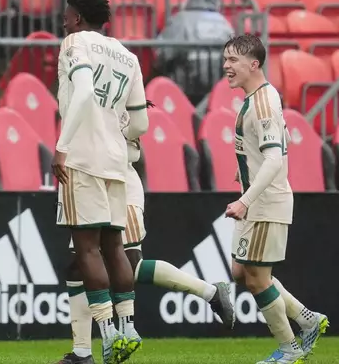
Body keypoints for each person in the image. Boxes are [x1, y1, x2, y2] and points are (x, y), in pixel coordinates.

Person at [56, 103, 236, 364]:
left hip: (119, 183)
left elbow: (132, 136)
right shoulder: (107, 87)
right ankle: (81, 352)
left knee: (130, 263)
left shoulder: (112, 91)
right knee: (77, 268)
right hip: (95, 181)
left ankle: (210, 292)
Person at [51, 0, 149, 364]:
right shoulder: (128, 55)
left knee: (86, 247)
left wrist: (63, 144)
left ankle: (106, 335)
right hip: (117, 160)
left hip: (83, 158)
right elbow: (139, 121)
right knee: (114, 247)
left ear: (77, 17)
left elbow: (85, 91)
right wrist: (115, 132)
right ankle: (129, 328)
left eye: (66, 14)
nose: (63, 20)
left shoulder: (75, 42)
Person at [223, 34, 329, 364]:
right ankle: (308, 319)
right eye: (225, 59)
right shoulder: (259, 97)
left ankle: (289, 347)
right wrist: (245, 172)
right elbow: (273, 148)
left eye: (233, 61)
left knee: (255, 278)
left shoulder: (264, 103)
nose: (226, 66)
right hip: (259, 199)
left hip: (265, 203)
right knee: (240, 271)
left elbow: (273, 159)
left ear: (254, 64)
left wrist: (245, 199)